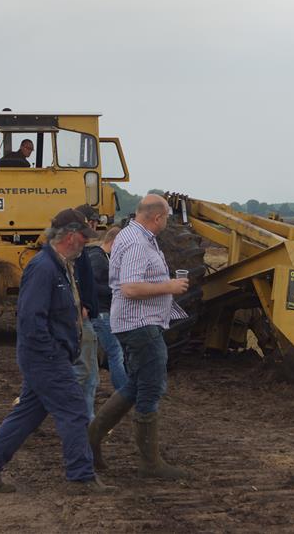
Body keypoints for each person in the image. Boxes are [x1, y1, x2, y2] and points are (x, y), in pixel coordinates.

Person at [0, 208, 112, 494]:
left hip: (47, 355)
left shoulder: (58, 266)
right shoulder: (44, 268)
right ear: (70, 236)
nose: (87, 242)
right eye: (84, 236)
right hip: (46, 357)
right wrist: (50, 353)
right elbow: (31, 318)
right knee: (74, 410)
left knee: (27, 415)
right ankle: (81, 477)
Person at [88, 194, 191, 480]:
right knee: (151, 387)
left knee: (135, 384)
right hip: (140, 324)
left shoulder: (135, 236)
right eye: (166, 217)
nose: (167, 221)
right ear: (157, 217)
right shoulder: (137, 243)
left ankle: (91, 438)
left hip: (137, 323)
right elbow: (130, 288)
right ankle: (149, 463)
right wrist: (169, 286)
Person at [86, 226, 128, 392]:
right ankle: (123, 392)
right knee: (115, 351)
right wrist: (115, 290)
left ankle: (93, 385)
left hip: (102, 311)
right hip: (101, 312)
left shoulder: (102, 257)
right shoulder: (98, 259)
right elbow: (91, 286)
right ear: (114, 242)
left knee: (97, 353)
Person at [71, 204, 101, 420]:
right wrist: (82, 307)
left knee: (91, 376)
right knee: (84, 372)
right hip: (81, 319)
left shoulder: (82, 251)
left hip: (86, 316)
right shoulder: (74, 252)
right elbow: (74, 281)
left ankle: (87, 420)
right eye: (92, 223)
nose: (94, 229)